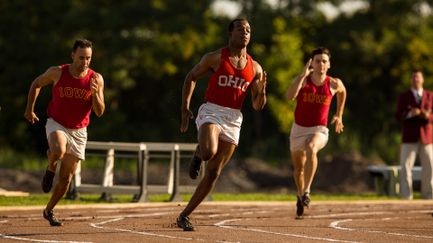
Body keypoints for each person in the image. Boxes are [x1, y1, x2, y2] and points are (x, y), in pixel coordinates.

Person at [177, 18, 267, 231]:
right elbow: (191, 77)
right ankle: (199, 154)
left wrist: (262, 90)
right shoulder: (215, 58)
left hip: (234, 118)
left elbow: (257, 105)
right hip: (212, 110)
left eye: (248, 30)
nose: (245, 33)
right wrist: (184, 108)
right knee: (209, 151)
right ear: (230, 34)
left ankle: (184, 215)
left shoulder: (256, 68)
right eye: (240, 29)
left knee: (214, 173)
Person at [24, 39, 105, 226]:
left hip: (79, 130)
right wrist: (30, 109)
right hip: (57, 123)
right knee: (58, 150)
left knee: (66, 179)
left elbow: (100, 112)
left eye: (88, 58)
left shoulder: (96, 79)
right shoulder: (57, 72)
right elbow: (36, 83)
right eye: (81, 58)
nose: (85, 62)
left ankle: (49, 210)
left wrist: (94, 95)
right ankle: (51, 165)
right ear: (72, 56)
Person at [286, 47, 346, 219]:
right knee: (298, 170)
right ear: (312, 63)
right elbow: (290, 96)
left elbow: (343, 92)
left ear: (329, 64)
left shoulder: (334, 83)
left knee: (311, 148)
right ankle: (299, 194)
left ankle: (307, 191)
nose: (321, 64)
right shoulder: (304, 81)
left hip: (319, 129)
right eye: (317, 61)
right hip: (298, 128)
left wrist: (339, 114)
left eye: (324, 61)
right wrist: (302, 75)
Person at [395, 70, 433, 200]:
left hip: (426, 137)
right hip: (409, 136)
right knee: (406, 166)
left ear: (422, 80)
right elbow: (398, 115)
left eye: (418, 78)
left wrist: (426, 114)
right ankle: (406, 196)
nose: (416, 80)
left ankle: (428, 195)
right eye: (413, 78)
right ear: (411, 80)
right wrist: (411, 114)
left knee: (430, 166)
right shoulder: (404, 96)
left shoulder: (430, 95)